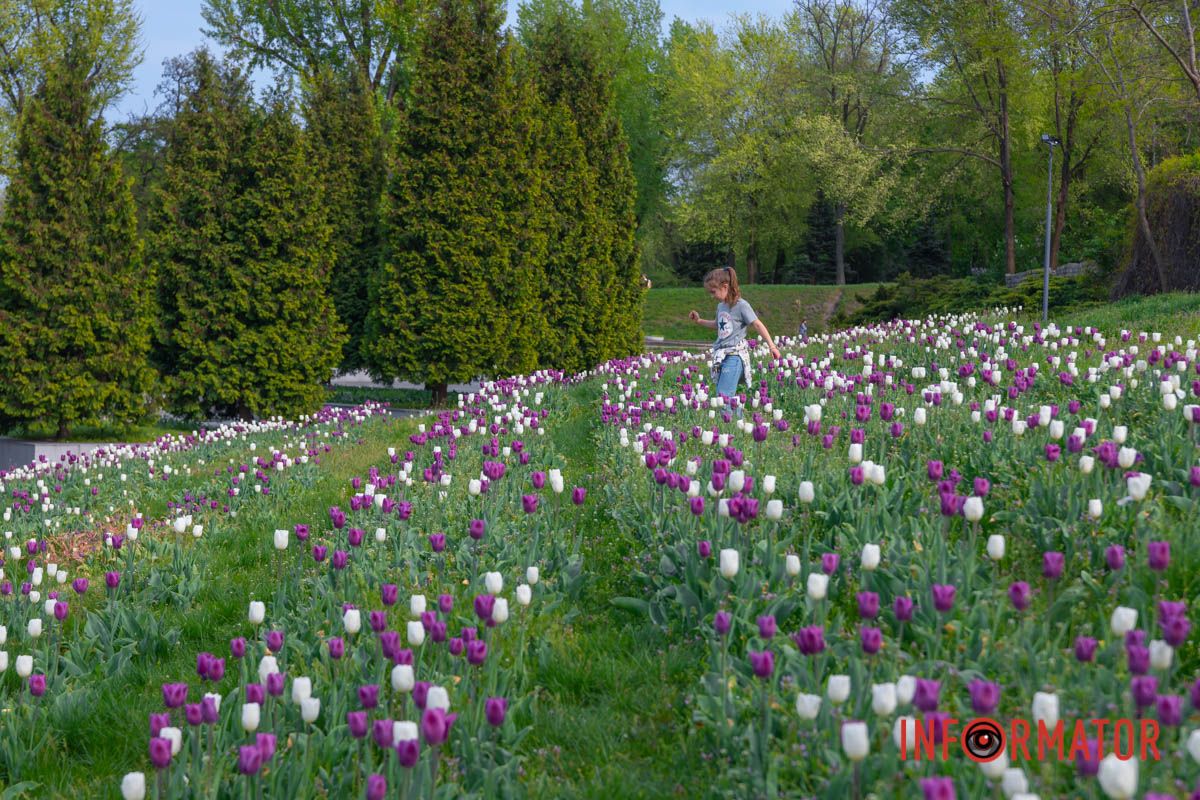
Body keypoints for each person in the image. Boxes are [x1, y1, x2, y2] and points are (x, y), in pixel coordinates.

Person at [688, 266, 781, 404]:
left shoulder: (741, 305)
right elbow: (717, 324)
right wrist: (699, 321)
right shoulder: (721, 306)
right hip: (722, 356)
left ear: (725, 286)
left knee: (723, 396)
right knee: (725, 397)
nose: (711, 296)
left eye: (713, 292)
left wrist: (772, 346)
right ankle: (737, 422)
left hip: (735, 356)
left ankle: (730, 422)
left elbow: (757, 324)